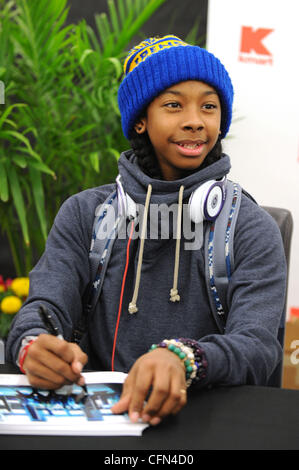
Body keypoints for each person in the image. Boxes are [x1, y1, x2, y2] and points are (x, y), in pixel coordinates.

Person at [6, 35, 286, 427]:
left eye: (209, 106)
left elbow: (257, 347)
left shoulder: (249, 226)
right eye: (174, 105)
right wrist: (31, 344)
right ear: (140, 119)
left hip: (207, 423)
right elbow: (44, 307)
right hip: (99, 423)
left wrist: (183, 359)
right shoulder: (85, 214)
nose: (194, 120)